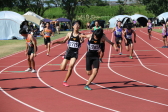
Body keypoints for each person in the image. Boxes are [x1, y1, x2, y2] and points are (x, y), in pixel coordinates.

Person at [52, 21, 84, 87]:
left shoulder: (80, 35)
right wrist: (56, 42)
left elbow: (82, 41)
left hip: (75, 53)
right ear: (73, 26)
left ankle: (65, 81)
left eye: (78, 25)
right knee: (62, 68)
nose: (77, 26)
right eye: (76, 25)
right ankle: (63, 59)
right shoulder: (69, 34)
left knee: (71, 66)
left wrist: (81, 39)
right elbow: (63, 41)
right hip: (68, 52)